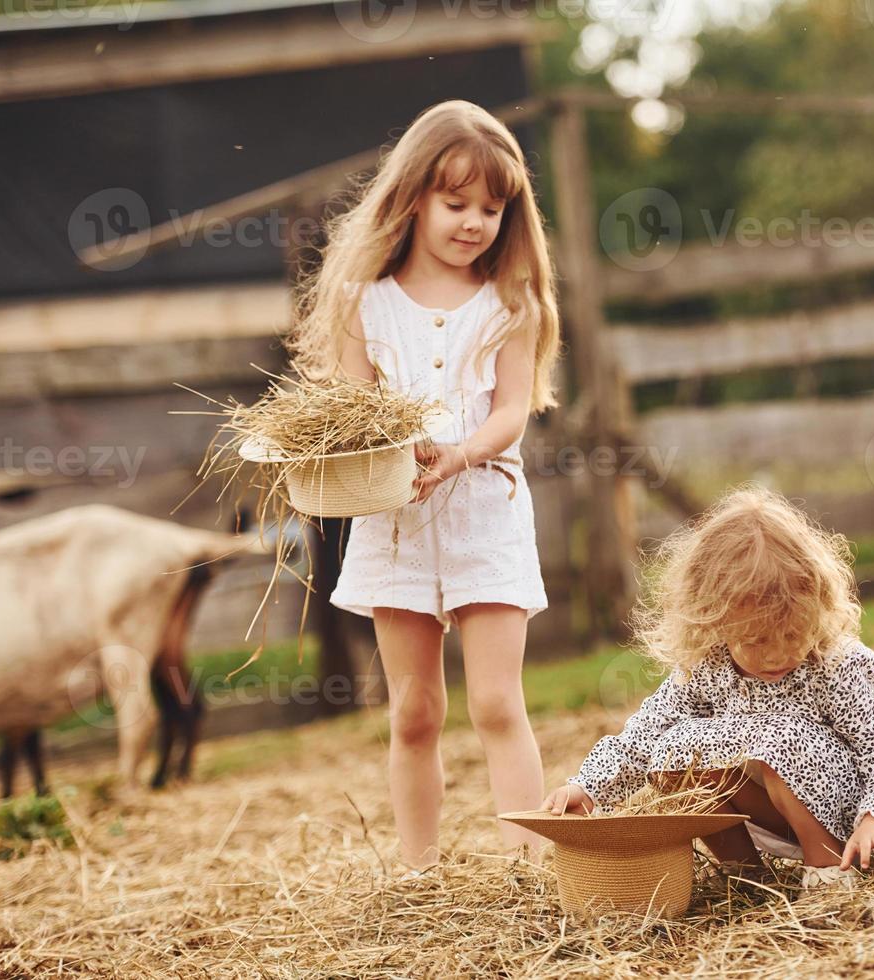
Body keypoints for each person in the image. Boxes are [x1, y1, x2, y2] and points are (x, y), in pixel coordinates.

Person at [286, 100, 562, 871]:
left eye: (492, 207)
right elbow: (351, 407)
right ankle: (421, 872)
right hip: (396, 526)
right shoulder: (361, 304)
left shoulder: (513, 305)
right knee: (413, 711)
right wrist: (387, 450)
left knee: (498, 704)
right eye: (456, 202)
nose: (475, 221)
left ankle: (525, 868)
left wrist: (462, 452)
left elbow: (513, 408)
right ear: (413, 196)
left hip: (486, 517)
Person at [541, 486, 874, 894]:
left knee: (785, 738)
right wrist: (589, 787)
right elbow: (644, 734)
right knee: (672, 749)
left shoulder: (838, 665)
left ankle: (829, 874)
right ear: (715, 623)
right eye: (757, 640)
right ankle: (744, 876)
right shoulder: (708, 665)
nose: (777, 653)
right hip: (769, 809)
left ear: (816, 606)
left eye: (792, 632)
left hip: (854, 818)